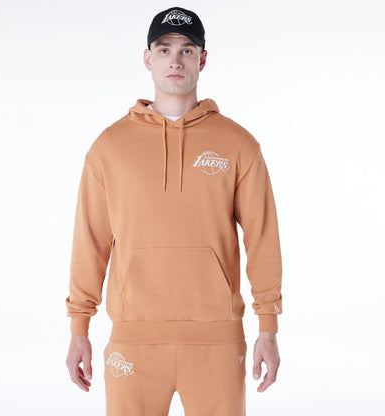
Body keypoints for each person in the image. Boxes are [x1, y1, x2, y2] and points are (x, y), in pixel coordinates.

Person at [65, 6, 282, 415]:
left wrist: (267, 327)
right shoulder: (109, 147)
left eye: (186, 50)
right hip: (133, 342)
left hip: (218, 341)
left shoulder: (239, 145)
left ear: (202, 59)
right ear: (148, 58)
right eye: (164, 49)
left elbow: (262, 239)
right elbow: (90, 242)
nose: (175, 60)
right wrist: (80, 327)